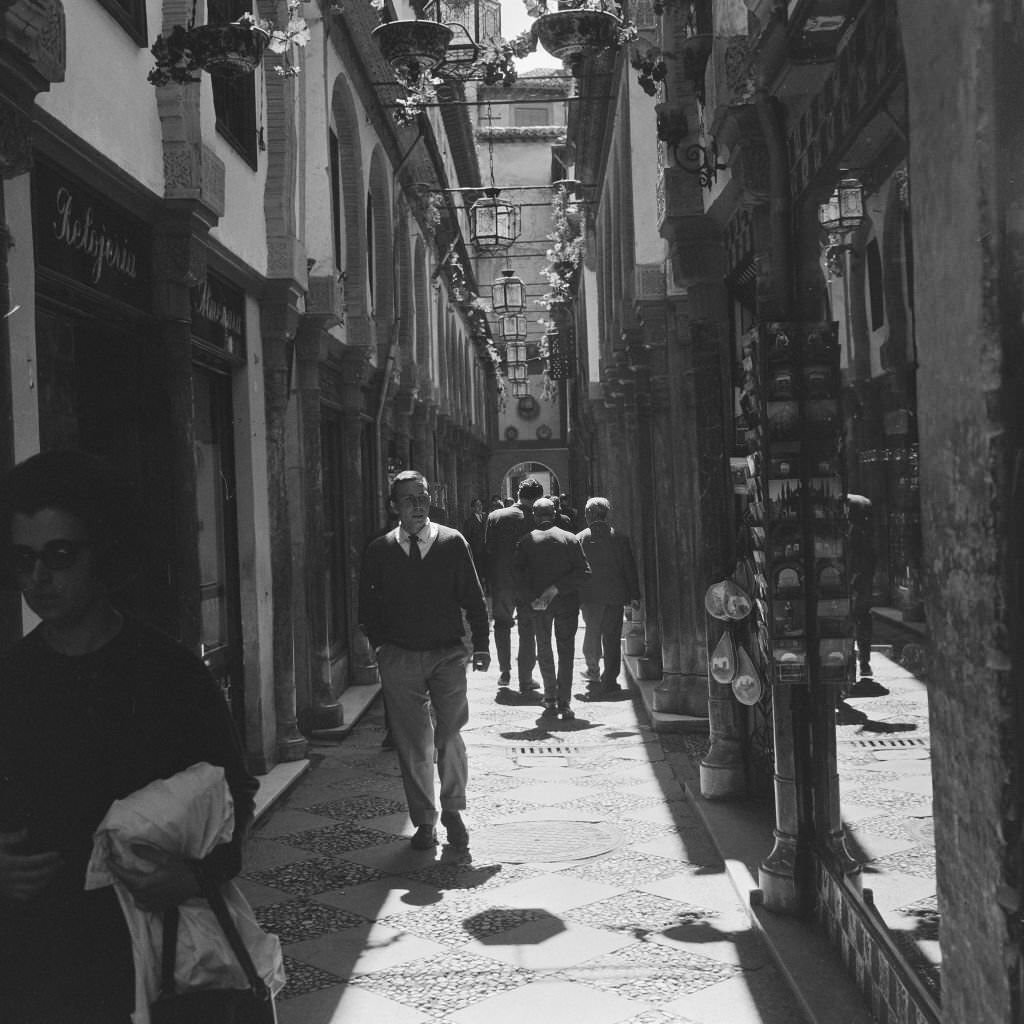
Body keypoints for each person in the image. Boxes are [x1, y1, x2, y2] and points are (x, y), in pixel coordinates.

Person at [0, 449, 258, 1024]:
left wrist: (191, 875)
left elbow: (236, 798)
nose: (39, 578)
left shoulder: (170, 676)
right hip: (33, 970)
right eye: (24, 559)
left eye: (59, 555)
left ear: (102, 555)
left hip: (151, 964)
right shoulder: (10, 682)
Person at [359, 470, 490, 852]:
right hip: (399, 656)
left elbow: (473, 596)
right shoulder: (379, 550)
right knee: (414, 744)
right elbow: (367, 607)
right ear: (393, 507)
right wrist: (382, 647)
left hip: (447, 653)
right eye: (409, 499)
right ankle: (425, 820)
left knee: (449, 735)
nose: (419, 505)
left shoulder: (452, 543)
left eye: (423, 497)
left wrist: (480, 645)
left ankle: (453, 808)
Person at [513, 497, 591, 720]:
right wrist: (557, 588)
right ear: (555, 514)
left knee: (544, 648)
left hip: (539, 606)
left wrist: (533, 599)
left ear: (535, 517)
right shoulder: (570, 539)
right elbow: (584, 573)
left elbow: (518, 577)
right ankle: (564, 701)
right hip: (566, 603)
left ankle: (549, 695)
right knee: (566, 651)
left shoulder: (526, 541)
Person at [576, 496, 641, 699]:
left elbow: (576, 570)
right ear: (606, 514)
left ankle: (593, 670)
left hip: (590, 597)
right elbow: (629, 569)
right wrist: (634, 595)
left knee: (592, 632)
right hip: (614, 595)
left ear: (588, 515)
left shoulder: (580, 538)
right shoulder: (620, 538)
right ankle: (610, 679)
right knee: (612, 638)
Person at [484, 477, 544, 699]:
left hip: (502, 582)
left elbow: (487, 550)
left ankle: (505, 671)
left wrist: (489, 581)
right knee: (527, 629)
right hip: (528, 584)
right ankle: (526, 678)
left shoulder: (495, 516)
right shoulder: (537, 518)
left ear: (518, 494)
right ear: (537, 497)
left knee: (501, 625)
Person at [843, 493, 888, 698]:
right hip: (862, 576)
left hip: (851, 575)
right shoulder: (864, 506)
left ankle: (852, 665)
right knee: (862, 618)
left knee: (849, 619)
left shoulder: (851, 516)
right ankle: (864, 663)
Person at [461, 497, 488, 586]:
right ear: (472, 508)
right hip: (477, 551)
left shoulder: (486, 518)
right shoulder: (469, 522)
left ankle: (488, 588)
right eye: (477, 505)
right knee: (479, 571)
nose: (480, 507)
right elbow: (467, 538)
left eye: (480, 505)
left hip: (487, 550)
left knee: (487, 570)